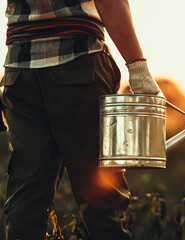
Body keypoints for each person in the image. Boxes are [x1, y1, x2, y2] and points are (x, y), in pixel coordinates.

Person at [0, 0, 162, 239]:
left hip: (19, 72)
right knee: (100, 191)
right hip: (78, 60)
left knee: (27, 192)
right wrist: (138, 70)